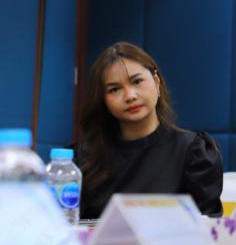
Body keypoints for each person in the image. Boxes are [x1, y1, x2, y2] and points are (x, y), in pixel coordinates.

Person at [76, 42, 224, 221]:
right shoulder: (84, 158)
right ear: (104, 100)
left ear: (156, 82)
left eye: (137, 81)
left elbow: (209, 228)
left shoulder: (194, 153)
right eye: (114, 89)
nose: (130, 96)